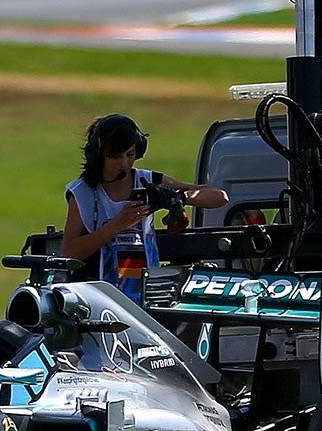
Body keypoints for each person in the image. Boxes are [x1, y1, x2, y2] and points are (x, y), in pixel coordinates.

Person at [62, 114, 227, 298]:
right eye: (114, 157)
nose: (124, 164)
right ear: (97, 155)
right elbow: (70, 252)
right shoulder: (82, 192)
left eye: (130, 155)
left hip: (146, 293)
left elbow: (220, 197)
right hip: (99, 298)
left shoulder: (147, 180)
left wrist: (176, 196)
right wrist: (117, 224)